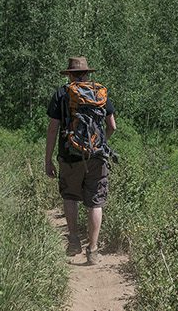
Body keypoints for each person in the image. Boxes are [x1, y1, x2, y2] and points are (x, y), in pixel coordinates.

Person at [43, 56, 116, 265]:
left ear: (69, 75)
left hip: (69, 156)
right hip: (96, 157)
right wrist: (100, 144)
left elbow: (53, 128)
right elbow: (112, 126)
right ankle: (92, 251)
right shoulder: (100, 93)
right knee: (95, 202)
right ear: (86, 73)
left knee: (70, 196)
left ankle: (74, 241)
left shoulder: (62, 93)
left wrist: (48, 160)